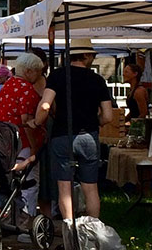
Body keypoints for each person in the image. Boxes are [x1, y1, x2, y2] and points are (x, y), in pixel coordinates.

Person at [35, 38, 113, 221]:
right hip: (89, 136)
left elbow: (45, 105)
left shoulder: (57, 76)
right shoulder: (97, 80)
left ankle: (69, 227)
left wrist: (37, 121)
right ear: (86, 56)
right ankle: (94, 227)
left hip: (62, 135)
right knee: (90, 187)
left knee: (64, 188)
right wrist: (96, 121)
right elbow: (108, 116)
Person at [0, 52, 46, 215]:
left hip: (7, 140)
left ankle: (13, 216)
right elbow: (26, 121)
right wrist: (34, 148)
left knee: (14, 182)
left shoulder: (7, 85)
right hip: (24, 142)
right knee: (29, 184)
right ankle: (27, 218)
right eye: (38, 72)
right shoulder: (26, 89)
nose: (39, 76)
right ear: (29, 71)